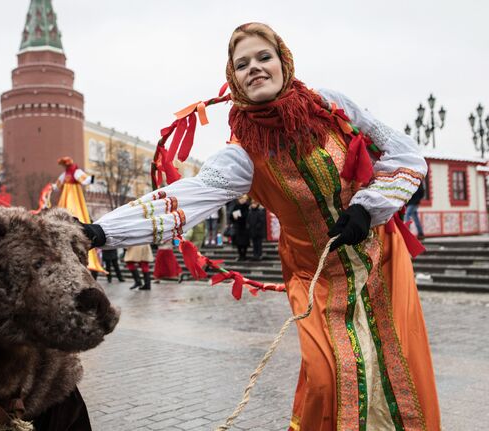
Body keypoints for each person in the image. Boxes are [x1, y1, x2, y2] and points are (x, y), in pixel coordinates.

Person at [84, 23, 438, 429]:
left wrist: (367, 207)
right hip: (315, 278)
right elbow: (186, 198)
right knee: (327, 381)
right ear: (231, 78)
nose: (254, 68)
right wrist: (100, 232)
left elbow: (406, 155)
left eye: (263, 57)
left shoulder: (330, 105)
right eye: (242, 64)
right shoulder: (242, 154)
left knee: (398, 369)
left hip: (380, 259)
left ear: (283, 61)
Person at [54, 156, 106, 273]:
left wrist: (90, 179)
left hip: (74, 193)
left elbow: (84, 179)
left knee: (74, 209)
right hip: (67, 193)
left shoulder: (75, 171)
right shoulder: (65, 173)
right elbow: (58, 185)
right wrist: (52, 188)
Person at [230, 194, 250, 261]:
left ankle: (244, 255)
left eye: (243, 199)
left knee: (244, 243)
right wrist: (233, 217)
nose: (242, 200)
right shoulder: (236, 206)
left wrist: (238, 217)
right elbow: (231, 215)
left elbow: (246, 216)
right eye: (241, 199)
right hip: (237, 227)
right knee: (238, 243)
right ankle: (240, 255)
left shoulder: (247, 206)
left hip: (244, 227)